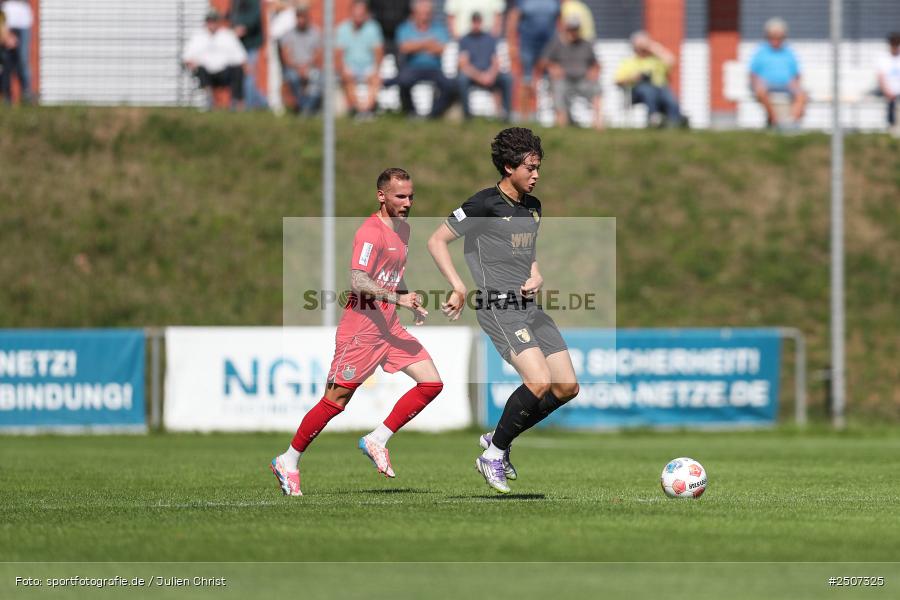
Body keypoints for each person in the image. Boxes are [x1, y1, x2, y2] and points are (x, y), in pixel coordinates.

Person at [271, 168, 444, 496]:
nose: (408, 203)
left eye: (411, 196)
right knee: (335, 402)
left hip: (389, 327)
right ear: (381, 196)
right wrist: (398, 298)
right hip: (361, 331)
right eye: (400, 196)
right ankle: (288, 460)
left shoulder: (403, 229)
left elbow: (391, 274)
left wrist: (406, 299)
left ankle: (377, 439)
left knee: (432, 383)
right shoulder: (370, 232)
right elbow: (358, 279)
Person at [427, 128, 580, 494]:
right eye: (530, 168)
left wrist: (536, 273)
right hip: (499, 306)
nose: (536, 175)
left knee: (566, 386)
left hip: (530, 307)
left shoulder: (533, 207)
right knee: (538, 381)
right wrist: (458, 286)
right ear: (509, 167)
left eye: (538, 167)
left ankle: (498, 437)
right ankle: (494, 453)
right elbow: (437, 240)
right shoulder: (483, 205)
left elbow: (527, 252)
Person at [393, 0, 455, 119]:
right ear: (414, 13)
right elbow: (404, 47)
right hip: (412, 67)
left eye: (427, 13)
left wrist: (415, 46)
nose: (424, 16)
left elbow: (441, 48)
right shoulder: (405, 28)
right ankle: (411, 112)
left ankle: (433, 115)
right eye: (421, 13)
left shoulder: (439, 28)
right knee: (403, 81)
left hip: (434, 68)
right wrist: (427, 43)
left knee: (449, 84)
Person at [540, 14, 602, 129]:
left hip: (583, 80)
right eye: (571, 29)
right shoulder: (556, 43)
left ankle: (598, 122)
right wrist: (553, 67)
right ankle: (562, 123)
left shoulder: (586, 44)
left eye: (575, 29)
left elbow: (596, 64)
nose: (573, 32)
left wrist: (594, 71)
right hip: (563, 79)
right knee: (557, 87)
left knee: (596, 87)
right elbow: (543, 62)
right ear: (566, 29)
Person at [614, 30, 686, 127]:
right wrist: (633, 77)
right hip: (636, 92)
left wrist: (653, 47)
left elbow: (671, 61)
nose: (643, 48)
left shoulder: (656, 60)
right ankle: (654, 118)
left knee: (668, 96)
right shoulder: (629, 61)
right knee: (647, 90)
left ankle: (675, 121)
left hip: (660, 90)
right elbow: (617, 80)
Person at [182, 9, 248, 110]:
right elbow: (186, 57)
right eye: (210, 21)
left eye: (214, 21)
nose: (212, 24)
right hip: (205, 72)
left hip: (224, 72)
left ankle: (238, 104)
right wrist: (191, 64)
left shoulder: (227, 35)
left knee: (238, 70)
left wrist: (244, 67)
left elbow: (241, 56)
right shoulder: (198, 37)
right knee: (200, 70)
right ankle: (206, 100)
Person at [749, 17, 807, 129]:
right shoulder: (761, 52)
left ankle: (791, 123)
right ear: (768, 36)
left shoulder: (789, 52)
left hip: (787, 85)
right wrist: (757, 83)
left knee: (801, 95)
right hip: (766, 85)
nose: (776, 40)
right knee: (761, 91)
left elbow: (796, 74)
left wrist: (795, 83)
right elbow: (753, 73)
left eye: (779, 37)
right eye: (773, 37)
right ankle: (776, 122)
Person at [507, 0, 560, 120]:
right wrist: (511, 43)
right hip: (527, 46)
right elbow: (513, 18)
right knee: (526, 80)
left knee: (551, 80)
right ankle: (524, 116)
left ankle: (555, 117)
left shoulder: (554, 2)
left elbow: (560, 21)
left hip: (548, 48)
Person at [457, 12, 512, 120]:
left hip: (489, 74)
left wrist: (490, 75)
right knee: (462, 79)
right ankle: (467, 115)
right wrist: (479, 77)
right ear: (471, 22)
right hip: (473, 75)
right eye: (474, 21)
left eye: (478, 21)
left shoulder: (490, 39)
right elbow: (464, 64)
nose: (476, 24)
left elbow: (496, 61)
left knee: (507, 78)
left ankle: (506, 114)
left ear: (481, 22)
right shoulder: (465, 40)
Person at [336, 0, 385, 119]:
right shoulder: (342, 28)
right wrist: (344, 68)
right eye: (355, 14)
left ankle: (365, 109)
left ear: (366, 14)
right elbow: (338, 54)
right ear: (351, 14)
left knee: (376, 79)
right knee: (346, 78)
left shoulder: (373, 28)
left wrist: (375, 68)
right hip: (350, 67)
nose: (358, 17)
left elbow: (379, 52)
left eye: (361, 15)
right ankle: (359, 109)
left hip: (368, 66)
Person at [279, 2, 322, 115]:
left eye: (303, 17)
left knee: (318, 78)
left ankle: (307, 109)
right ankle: (304, 108)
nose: (301, 20)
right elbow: (285, 57)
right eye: (299, 17)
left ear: (308, 17)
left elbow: (318, 55)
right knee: (292, 77)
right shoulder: (288, 34)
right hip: (294, 68)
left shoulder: (315, 33)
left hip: (310, 67)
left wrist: (306, 67)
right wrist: (298, 68)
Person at [231, 0, 269, 110]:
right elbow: (233, 15)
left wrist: (243, 27)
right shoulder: (236, 2)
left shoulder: (254, 2)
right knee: (240, 75)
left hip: (251, 44)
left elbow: (255, 18)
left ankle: (250, 104)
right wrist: (234, 27)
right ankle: (262, 103)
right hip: (239, 45)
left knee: (249, 75)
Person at [1, 0, 33, 104]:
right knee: (6, 62)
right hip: (6, 21)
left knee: (23, 61)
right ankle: (6, 96)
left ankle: (26, 94)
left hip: (23, 23)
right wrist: (5, 33)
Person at [877, 32, 900, 130]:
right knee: (891, 113)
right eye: (893, 44)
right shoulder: (884, 59)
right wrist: (887, 92)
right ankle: (891, 128)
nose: (895, 47)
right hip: (889, 93)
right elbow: (881, 77)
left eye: (897, 44)